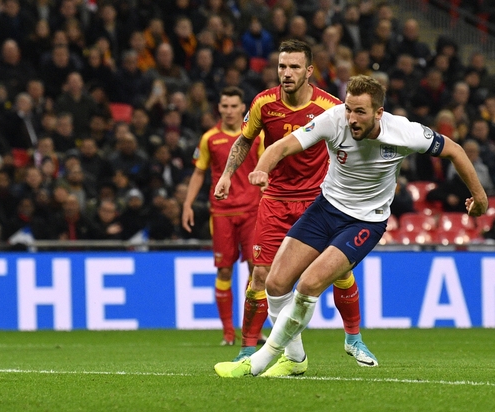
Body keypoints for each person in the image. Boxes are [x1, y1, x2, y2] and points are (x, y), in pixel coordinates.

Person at [214, 75, 489, 378]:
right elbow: (282, 146)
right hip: (325, 208)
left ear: (378, 113)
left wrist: (479, 197)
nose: (351, 118)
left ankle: (258, 362)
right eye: (348, 109)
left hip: (366, 220)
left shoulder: (405, 132)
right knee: (276, 283)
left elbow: (455, 151)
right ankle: (295, 359)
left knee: (309, 284)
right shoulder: (333, 120)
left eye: (360, 112)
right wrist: (261, 169)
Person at [215, 40, 374, 374]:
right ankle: (249, 348)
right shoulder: (263, 103)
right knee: (261, 275)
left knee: (340, 270)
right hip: (274, 200)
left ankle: (354, 337)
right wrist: (229, 174)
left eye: (294, 67)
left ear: (309, 71)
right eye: (282, 67)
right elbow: (245, 139)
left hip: (318, 201)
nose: (286, 73)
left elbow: (356, 143)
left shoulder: (330, 106)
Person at [182, 87, 262, 346]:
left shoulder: (257, 138)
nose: (229, 111)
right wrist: (187, 204)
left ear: (243, 109)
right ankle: (228, 332)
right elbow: (198, 173)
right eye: (224, 106)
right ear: (219, 108)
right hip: (222, 213)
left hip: (252, 211)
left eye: (233, 106)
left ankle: (252, 330)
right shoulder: (209, 139)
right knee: (224, 270)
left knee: (257, 270)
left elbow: (265, 171)